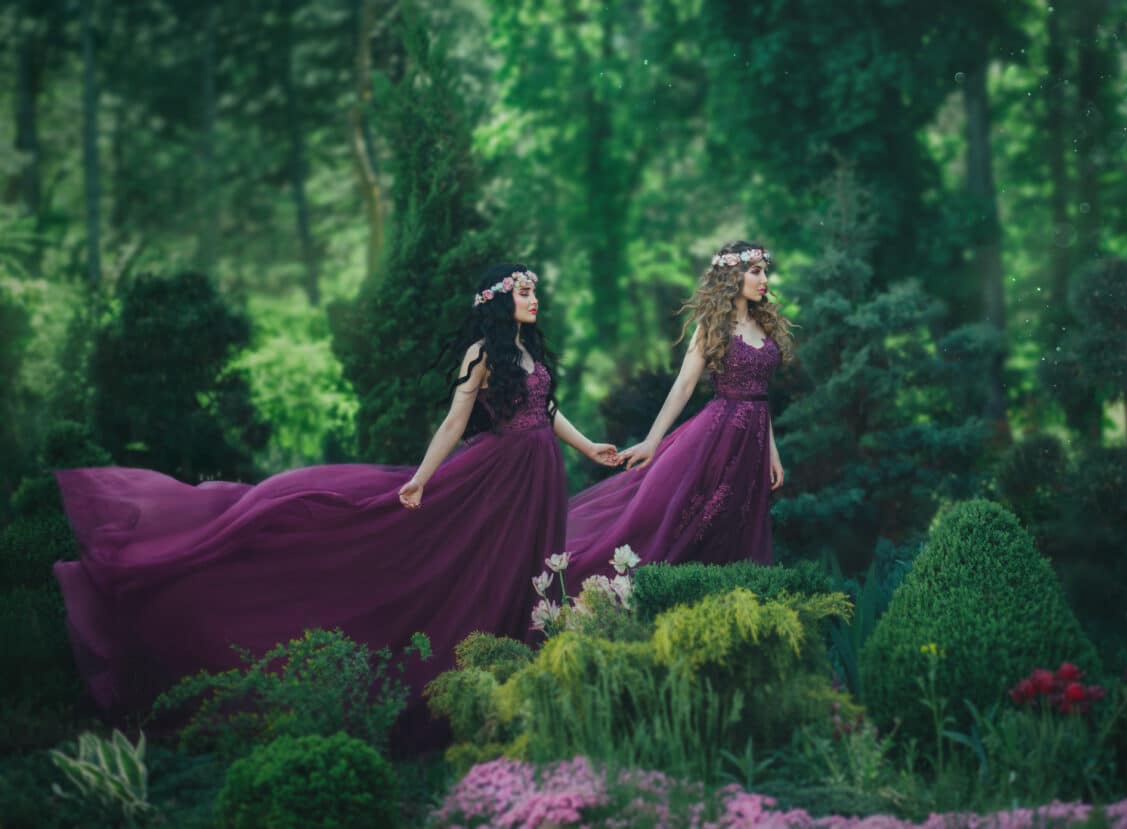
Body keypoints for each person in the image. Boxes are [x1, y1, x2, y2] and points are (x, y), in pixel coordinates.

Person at [52, 263, 617, 744]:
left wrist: (589, 445)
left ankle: (528, 683)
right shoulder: (482, 352)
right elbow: (454, 422)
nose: (535, 298)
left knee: (534, 571)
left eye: (535, 291)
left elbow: (545, 412)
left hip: (539, 474)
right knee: (489, 571)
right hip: (498, 478)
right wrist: (421, 479)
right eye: (524, 291)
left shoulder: (528, 351)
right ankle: (483, 687)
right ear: (498, 299)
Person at [562, 240, 794, 593]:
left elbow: (760, 396)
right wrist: (653, 441)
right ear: (734, 276)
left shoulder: (764, 325)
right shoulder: (712, 325)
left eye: (765, 272)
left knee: (739, 521)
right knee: (693, 520)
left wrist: (772, 453)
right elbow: (684, 386)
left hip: (755, 441)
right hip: (717, 436)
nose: (764, 279)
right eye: (756, 272)